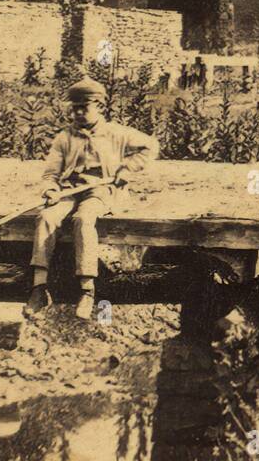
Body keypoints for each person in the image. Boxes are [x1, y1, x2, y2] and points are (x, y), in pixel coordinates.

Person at [24, 78, 159, 320]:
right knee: (45, 217)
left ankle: (87, 289)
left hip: (101, 191)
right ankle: (39, 288)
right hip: (69, 190)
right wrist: (51, 190)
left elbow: (150, 147)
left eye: (83, 107)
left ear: (99, 106)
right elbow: (51, 173)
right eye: (74, 107)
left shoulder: (116, 133)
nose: (77, 113)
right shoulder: (65, 138)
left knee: (83, 219)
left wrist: (126, 170)